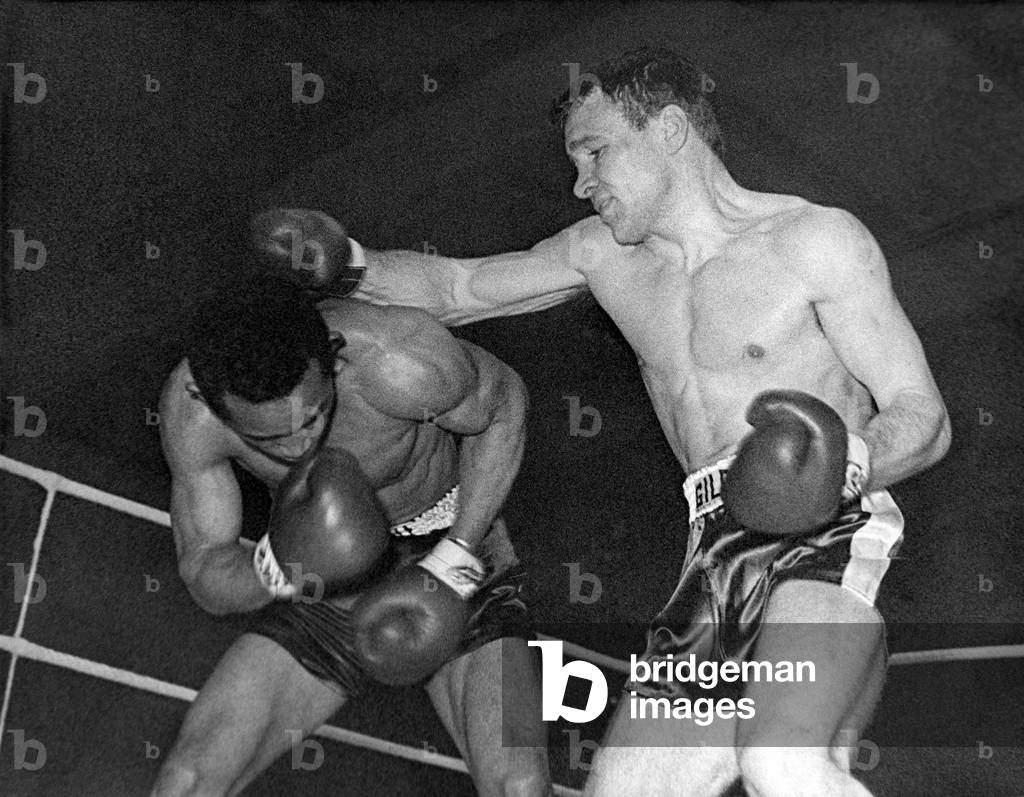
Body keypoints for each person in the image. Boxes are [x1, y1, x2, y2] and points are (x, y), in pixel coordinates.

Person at [254, 47, 951, 797]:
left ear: (672, 131)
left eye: (596, 151)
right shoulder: (604, 257)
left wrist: (841, 466)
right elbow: (460, 286)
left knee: (783, 761)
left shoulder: (818, 241)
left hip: (828, 532)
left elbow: (924, 416)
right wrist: (349, 263)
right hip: (709, 557)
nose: (582, 183)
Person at [153, 276, 552, 796]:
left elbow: (504, 408)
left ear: (334, 360)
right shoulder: (192, 417)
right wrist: (279, 567)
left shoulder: (397, 358)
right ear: (208, 401)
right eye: (268, 437)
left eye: (314, 414)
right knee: (188, 781)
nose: (300, 444)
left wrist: (455, 557)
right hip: (324, 578)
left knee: (519, 786)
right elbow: (205, 570)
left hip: (452, 545)